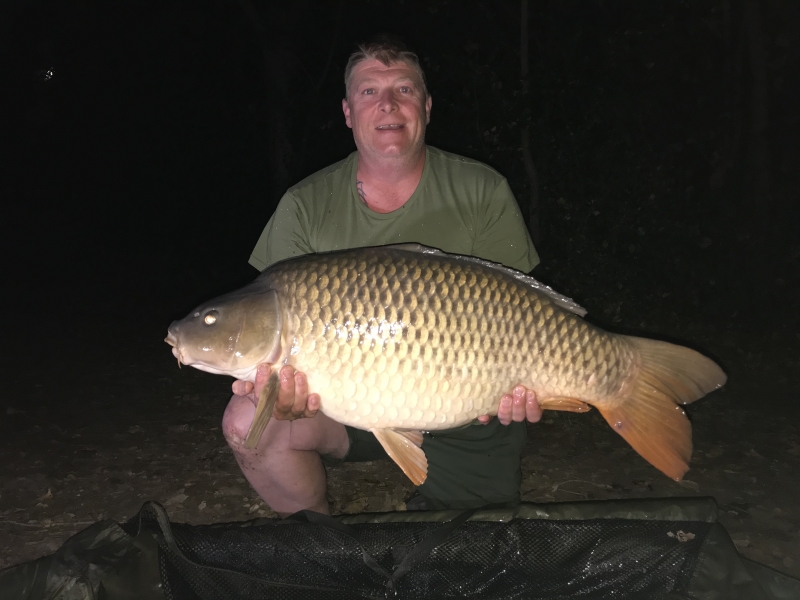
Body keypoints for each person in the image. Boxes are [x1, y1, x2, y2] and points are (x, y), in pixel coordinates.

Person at [223, 40, 542, 517]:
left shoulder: (482, 190)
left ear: (426, 107)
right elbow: (268, 307)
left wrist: (522, 387)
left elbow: (521, 310)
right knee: (249, 420)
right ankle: (319, 542)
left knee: (468, 554)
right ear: (349, 112)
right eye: (369, 90)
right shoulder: (305, 205)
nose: (387, 103)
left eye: (404, 89)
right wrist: (282, 393)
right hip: (344, 405)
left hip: (467, 406)